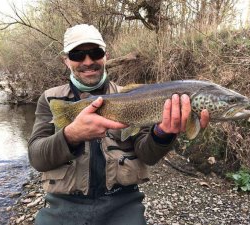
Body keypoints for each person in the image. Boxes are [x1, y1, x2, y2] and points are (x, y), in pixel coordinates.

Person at [28, 24, 209, 225]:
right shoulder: (51, 100)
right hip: (63, 204)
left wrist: (163, 133)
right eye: (77, 55)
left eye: (95, 52)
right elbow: (37, 158)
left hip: (123, 202)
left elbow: (147, 156)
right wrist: (71, 135)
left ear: (105, 55)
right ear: (66, 60)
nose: (88, 61)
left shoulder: (136, 97)